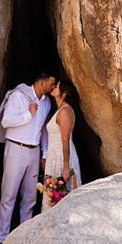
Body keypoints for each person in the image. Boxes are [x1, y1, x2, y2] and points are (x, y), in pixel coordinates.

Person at [0, 70, 56, 244]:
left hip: (33, 151)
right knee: (8, 194)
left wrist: (44, 153)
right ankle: (0, 239)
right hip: (15, 148)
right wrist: (28, 115)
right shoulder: (18, 96)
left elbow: (43, 130)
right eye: (51, 84)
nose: (53, 87)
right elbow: (6, 121)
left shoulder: (47, 103)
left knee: (30, 197)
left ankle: (23, 240)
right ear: (42, 82)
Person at [41, 78, 82, 211]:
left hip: (61, 157)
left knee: (63, 196)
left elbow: (65, 140)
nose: (54, 87)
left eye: (57, 86)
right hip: (54, 156)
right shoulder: (59, 109)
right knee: (53, 196)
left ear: (63, 93)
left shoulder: (65, 111)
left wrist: (65, 167)